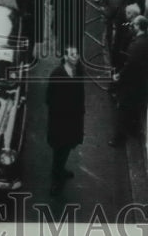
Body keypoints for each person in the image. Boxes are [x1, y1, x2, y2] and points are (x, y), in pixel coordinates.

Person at [46, 45, 85, 194]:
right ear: (66, 57)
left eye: (77, 54)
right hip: (60, 121)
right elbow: (49, 98)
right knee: (59, 149)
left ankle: (61, 169)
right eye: (72, 54)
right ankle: (56, 179)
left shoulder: (79, 72)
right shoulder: (57, 74)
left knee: (68, 145)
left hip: (74, 119)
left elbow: (81, 93)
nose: (76, 57)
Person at [110, 15, 148, 146]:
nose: (131, 27)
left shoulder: (138, 45)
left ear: (139, 26)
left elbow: (130, 65)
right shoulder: (146, 41)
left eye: (133, 25)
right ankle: (131, 130)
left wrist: (119, 76)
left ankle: (118, 138)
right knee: (130, 108)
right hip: (137, 82)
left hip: (130, 83)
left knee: (122, 108)